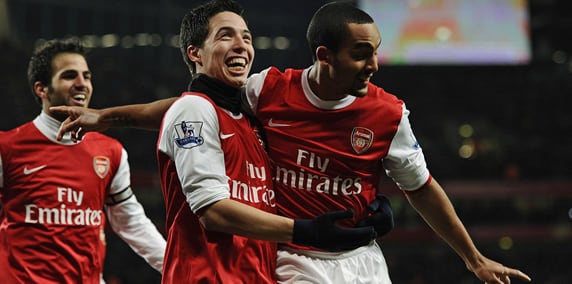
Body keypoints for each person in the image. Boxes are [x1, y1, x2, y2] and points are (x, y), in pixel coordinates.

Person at [50, 1, 532, 284]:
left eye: (376, 53)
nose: (374, 65)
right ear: (325, 55)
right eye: (361, 54)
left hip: (361, 256)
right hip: (292, 257)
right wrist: (105, 117)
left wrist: (473, 258)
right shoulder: (268, 90)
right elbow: (187, 108)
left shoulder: (388, 113)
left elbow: (422, 186)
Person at [0, 37, 166, 284]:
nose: (82, 83)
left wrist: (172, 264)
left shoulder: (111, 152)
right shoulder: (5, 146)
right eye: (69, 75)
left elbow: (130, 221)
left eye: (86, 76)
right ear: (41, 89)